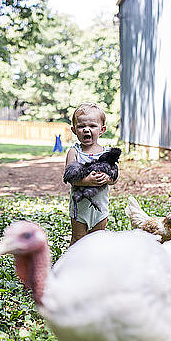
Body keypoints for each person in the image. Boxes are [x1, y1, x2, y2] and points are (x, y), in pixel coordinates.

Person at [65, 102, 116, 245]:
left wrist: (107, 177)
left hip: (100, 207)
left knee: (97, 241)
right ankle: (73, 265)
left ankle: (95, 265)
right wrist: (86, 180)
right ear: (74, 130)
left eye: (92, 126)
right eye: (81, 126)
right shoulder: (74, 152)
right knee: (78, 239)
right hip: (80, 208)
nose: (86, 130)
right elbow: (70, 177)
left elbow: (115, 176)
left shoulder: (107, 153)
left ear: (102, 129)